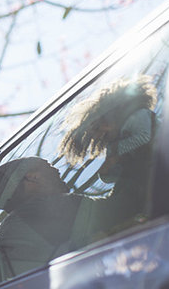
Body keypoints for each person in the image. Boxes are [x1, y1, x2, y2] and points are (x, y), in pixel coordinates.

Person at [0, 157, 94, 289]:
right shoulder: (52, 208)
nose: (57, 170)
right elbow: (115, 207)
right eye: (49, 166)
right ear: (32, 177)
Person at [57, 75, 158, 234]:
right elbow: (124, 187)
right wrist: (107, 171)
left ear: (114, 112)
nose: (103, 131)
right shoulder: (126, 149)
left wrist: (114, 151)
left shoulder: (139, 117)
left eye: (101, 125)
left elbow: (144, 137)